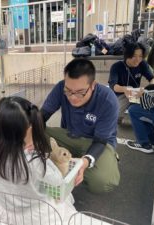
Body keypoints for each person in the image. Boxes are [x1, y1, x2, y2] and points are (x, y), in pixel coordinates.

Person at [0, 96, 77, 224]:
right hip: (41, 218)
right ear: (29, 130)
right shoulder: (34, 160)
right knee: (65, 197)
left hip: (9, 218)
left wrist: (2, 185)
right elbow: (57, 181)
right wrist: (44, 157)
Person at [41, 58, 120, 193]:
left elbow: (100, 141)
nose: (72, 97)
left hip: (99, 143)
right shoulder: (60, 87)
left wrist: (86, 161)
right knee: (33, 130)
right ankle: (63, 165)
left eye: (80, 92)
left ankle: (69, 165)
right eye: (68, 90)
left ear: (93, 85)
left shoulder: (108, 100)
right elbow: (41, 116)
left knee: (102, 182)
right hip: (70, 136)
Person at [108, 42, 154, 124]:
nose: (138, 59)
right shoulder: (117, 66)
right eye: (134, 56)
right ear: (127, 55)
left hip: (135, 93)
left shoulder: (142, 64)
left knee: (151, 97)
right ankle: (116, 120)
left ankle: (146, 122)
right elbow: (113, 86)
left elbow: (153, 78)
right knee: (116, 113)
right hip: (120, 94)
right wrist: (124, 89)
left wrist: (148, 89)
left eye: (140, 56)